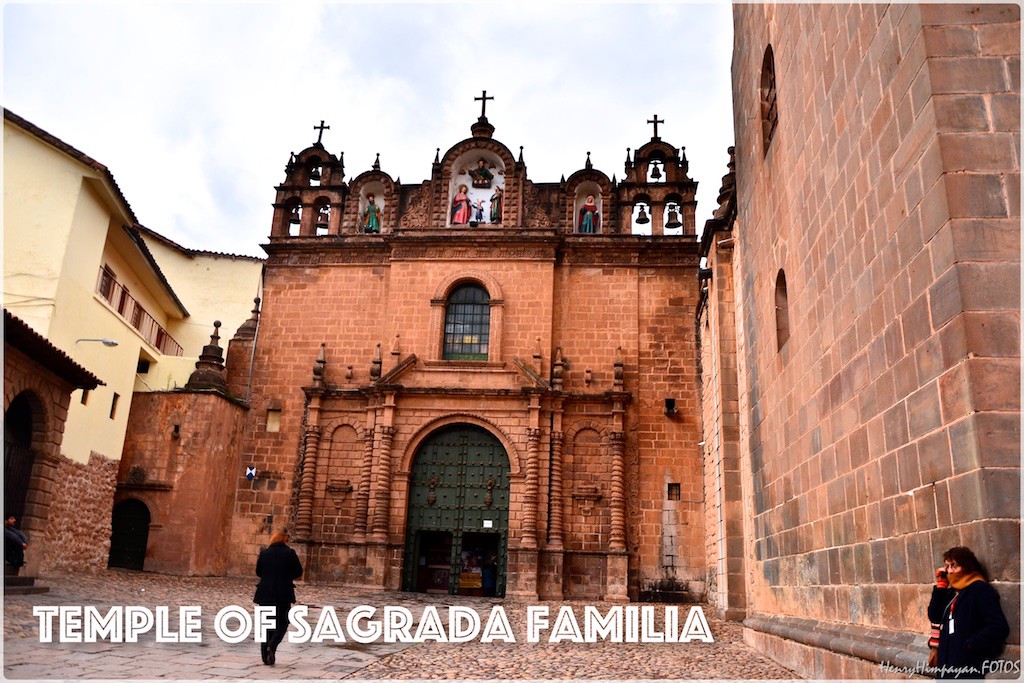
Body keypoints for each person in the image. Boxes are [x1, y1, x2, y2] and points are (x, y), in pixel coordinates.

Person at [927, 546, 1009, 679]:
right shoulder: (953, 593)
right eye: (947, 566)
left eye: (954, 565)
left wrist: (969, 645)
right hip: (947, 666)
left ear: (966, 566)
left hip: (968, 666)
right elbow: (934, 615)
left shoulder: (980, 590)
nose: (950, 571)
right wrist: (941, 587)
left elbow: (998, 627)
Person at [254, 530, 303, 666]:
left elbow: (258, 571)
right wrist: (286, 577)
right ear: (285, 540)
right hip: (283, 593)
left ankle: (265, 657)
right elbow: (298, 571)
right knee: (282, 622)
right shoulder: (289, 553)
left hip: (265, 593)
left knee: (266, 625)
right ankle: (272, 645)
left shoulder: (264, 553)